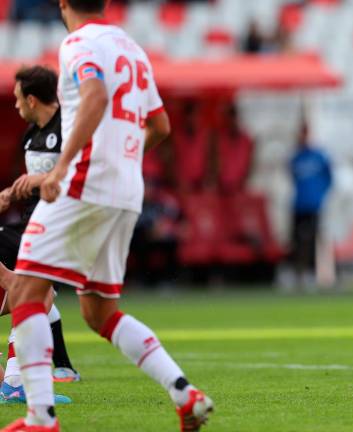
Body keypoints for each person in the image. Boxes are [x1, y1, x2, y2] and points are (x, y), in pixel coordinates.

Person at [1, 1, 213, 431]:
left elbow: (95, 96)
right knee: (99, 311)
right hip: (124, 190)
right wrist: (122, 161)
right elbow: (161, 127)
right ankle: (184, 394)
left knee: (24, 289)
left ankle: (40, 418)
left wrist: (62, 167)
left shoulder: (78, 43)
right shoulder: (131, 48)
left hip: (83, 183)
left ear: (63, 5)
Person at [1, 66, 81, 405]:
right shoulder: (31, 134)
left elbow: (77, 174)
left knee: (31, 291)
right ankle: (17, 381)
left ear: (32, 99)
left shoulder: (69, 129)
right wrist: (17, 190)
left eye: (18, 100)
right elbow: (37, 178)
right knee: (35, 293)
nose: (17, 107)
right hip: (39, 224)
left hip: (59, 221)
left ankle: (43, 372)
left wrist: (32, 183)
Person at [289, 122, 333, 288]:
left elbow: (329, 177)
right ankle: (296, 272)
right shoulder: (295, 157)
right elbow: (292, 176)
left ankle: (311, 273)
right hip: (298, 204)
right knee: (296, 240)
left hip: (314, 205)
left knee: (313, 239)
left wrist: (320, 195)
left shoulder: (318, 156)